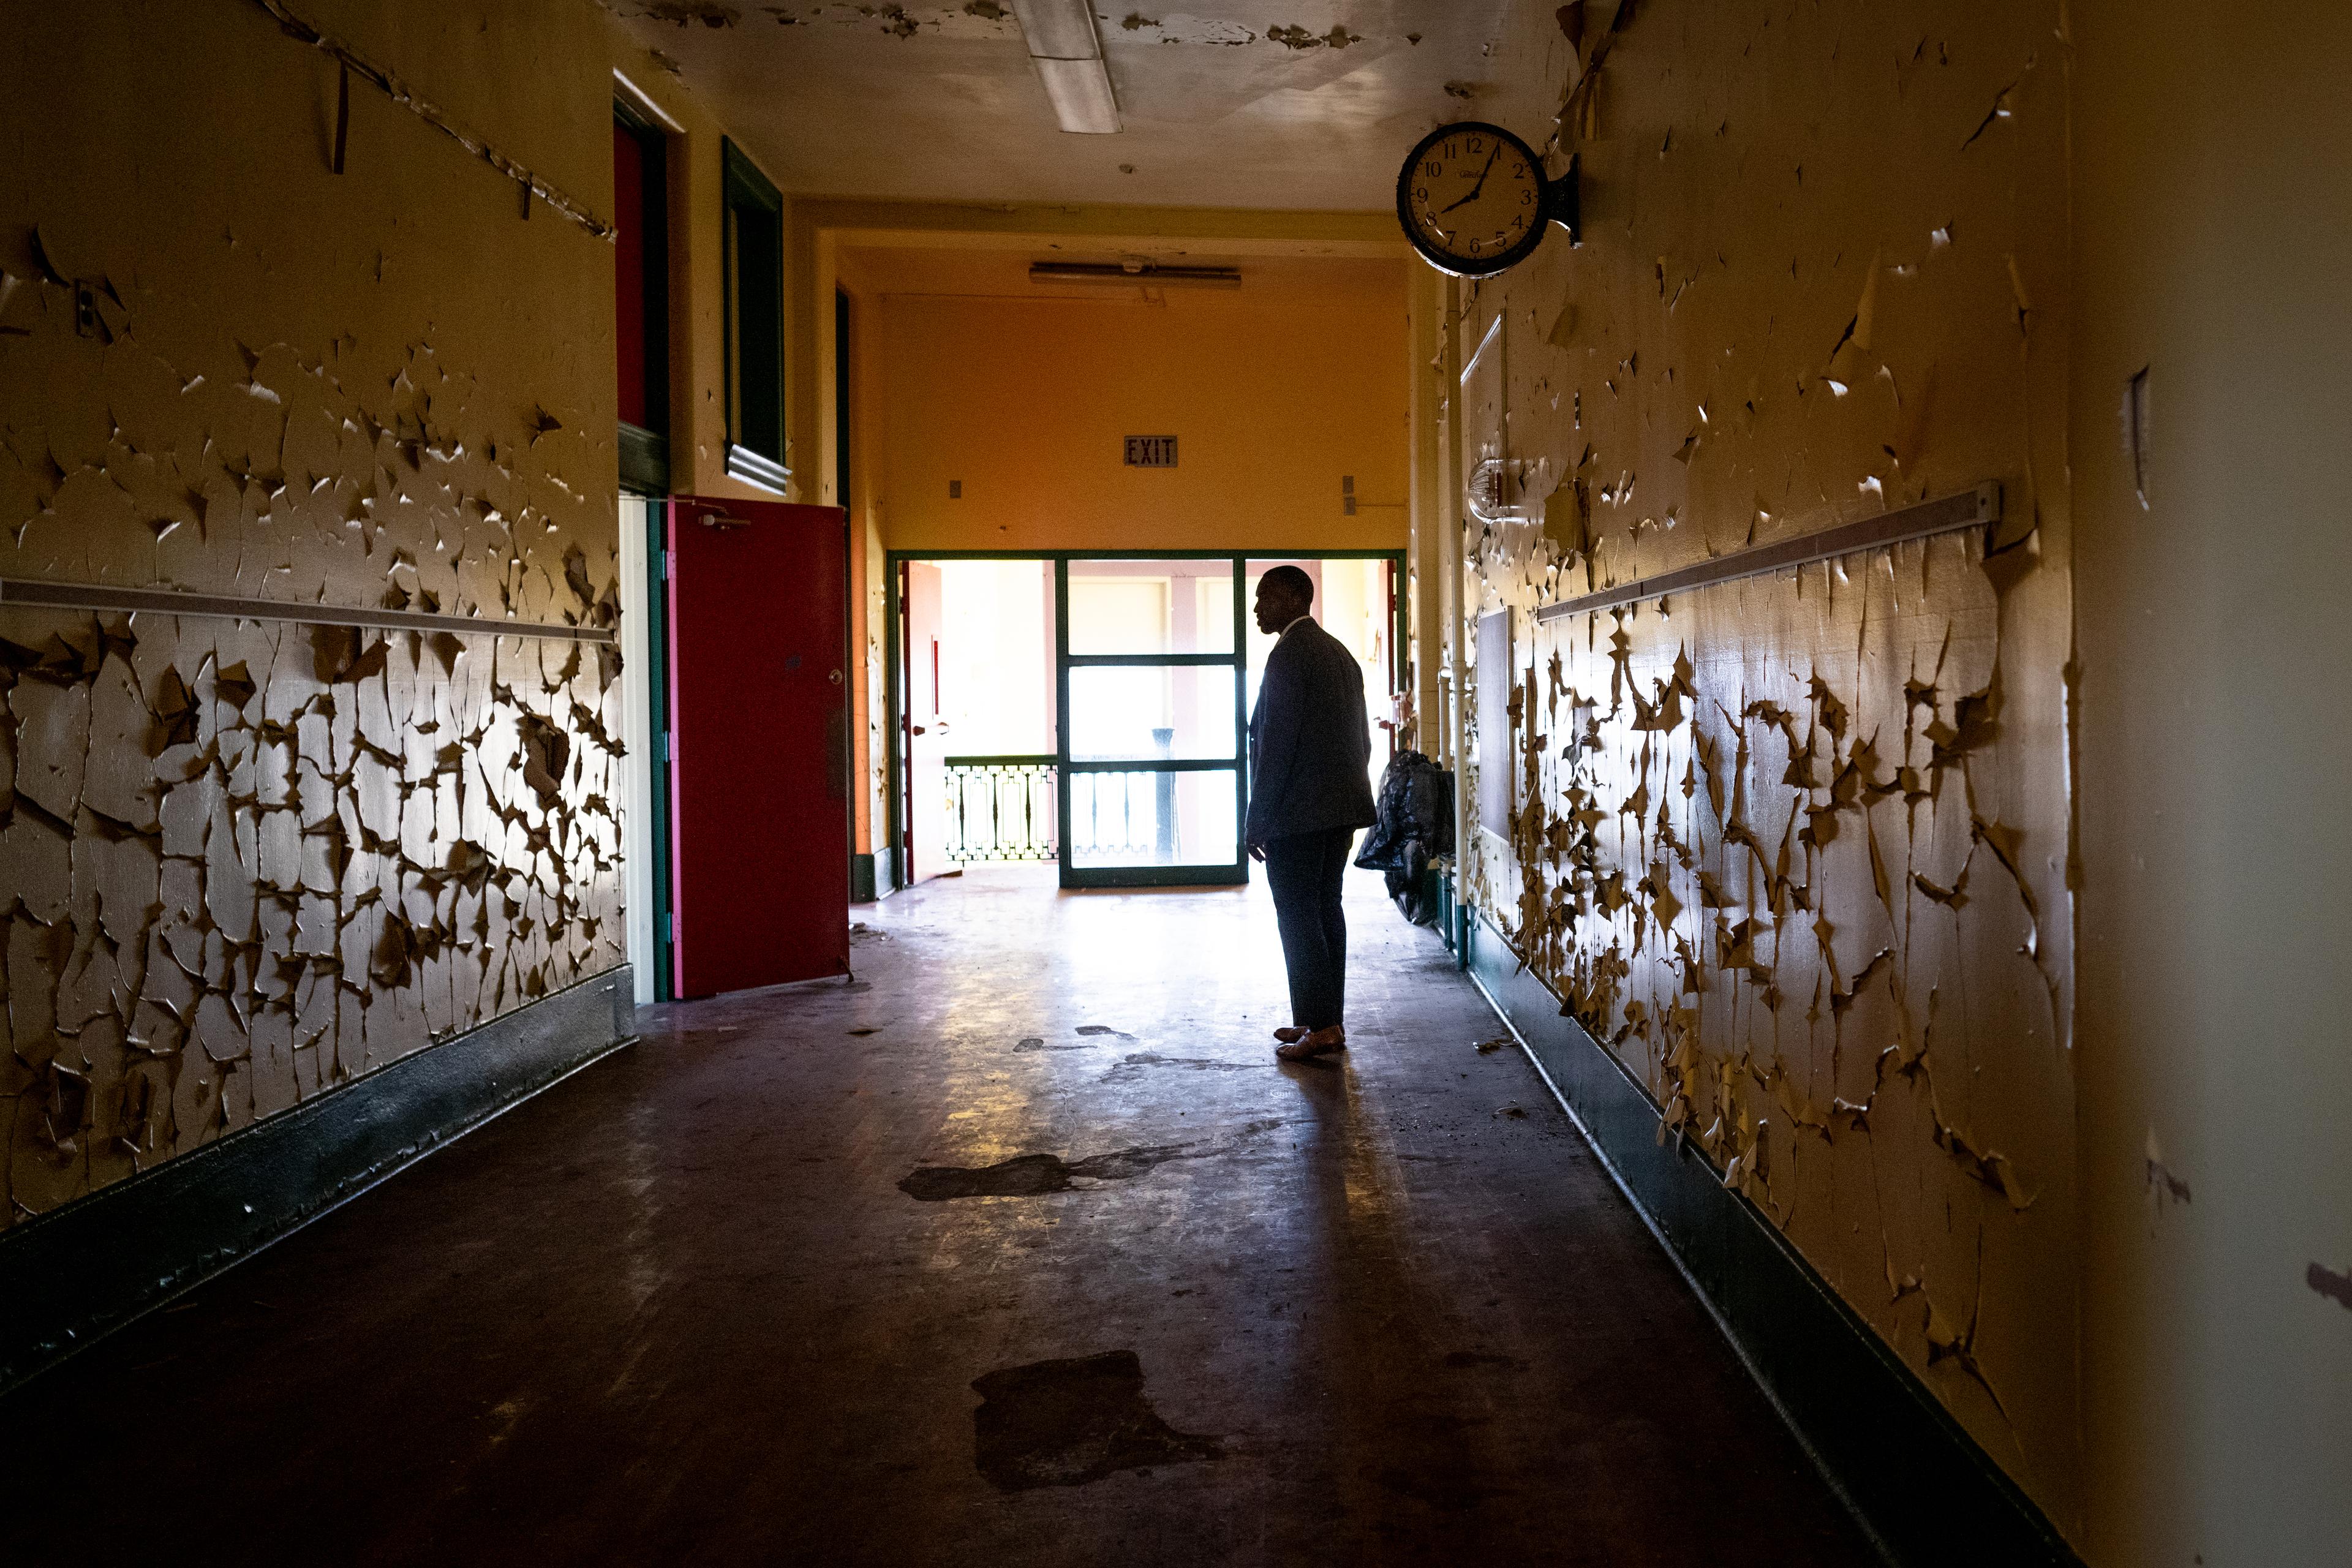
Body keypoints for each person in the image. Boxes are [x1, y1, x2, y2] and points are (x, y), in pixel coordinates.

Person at [1245, 565, 1378, 1063]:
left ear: (1294, 598)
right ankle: (1323, 1021)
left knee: (1298, 917)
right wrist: (1339, 795)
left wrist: (1257, 818)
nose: (1258, 608)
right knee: (1325, 910)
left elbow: (1275, 748)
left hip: (1298, 815)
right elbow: (1361, 741)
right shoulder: (1339, 654)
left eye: (1265, 598)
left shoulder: (1288, 657)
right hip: (1337, 811)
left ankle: (1320, 1026)